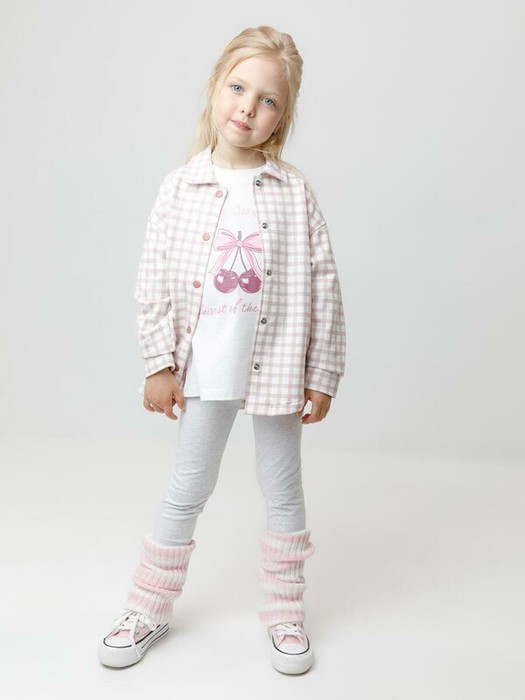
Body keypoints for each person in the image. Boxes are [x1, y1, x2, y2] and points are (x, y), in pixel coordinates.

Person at [98, 24, 346, 676]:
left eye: (267, 99)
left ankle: (285, 613)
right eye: (238, 88)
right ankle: (147, 608)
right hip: (205, 368)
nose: (247, 107)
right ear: (214, 86)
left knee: (282, 489)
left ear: (282, 115)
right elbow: (152, 280)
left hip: (277, 369)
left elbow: (324, 283)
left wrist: (322, 372)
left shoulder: (292, 193)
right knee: (187, 487)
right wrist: (158, 362)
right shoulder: (179, 187)